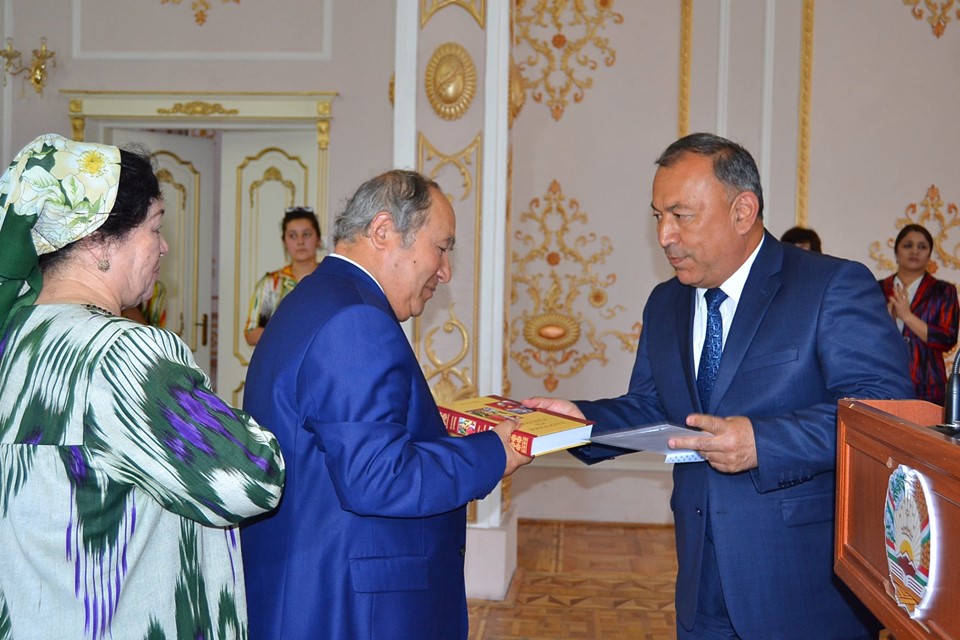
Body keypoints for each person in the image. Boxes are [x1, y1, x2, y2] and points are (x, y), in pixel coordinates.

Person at [524, 133, 913, 639]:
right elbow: (654, 406)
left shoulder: (829, 286)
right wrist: (580, 422)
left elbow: (883, 410)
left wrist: (762, 442)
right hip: (699, 580)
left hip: (802, 586)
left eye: (681, 216)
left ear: (742, 211)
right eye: (657, 216)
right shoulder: (664, 303)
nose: (664, 235)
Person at [0, 133, 286, 639]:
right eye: (155, 226)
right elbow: (252, 479)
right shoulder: (122, 353)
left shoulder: (15, 337)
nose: (164, 246)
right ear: (98, 240)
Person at [240, 169, 532, 640]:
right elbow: (376, 477)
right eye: (441, 248)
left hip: (309, 587)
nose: (445, 271)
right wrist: (493, 452)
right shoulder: (356, 319)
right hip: (353, 609)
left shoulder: (314, 298)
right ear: (383, 231)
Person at [879, 223, 959, 404]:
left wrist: (907, 316)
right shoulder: (878, 288)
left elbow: (947, 339)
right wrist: (887, 320)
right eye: (908, 245)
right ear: (896, 252)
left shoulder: (944, 291)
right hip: (884, 379)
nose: (915, 251)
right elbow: (865, 336)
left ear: (929, 255)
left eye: (922, 247)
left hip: (928, 384)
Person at [243, 206, 322, 346]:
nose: (300, 241)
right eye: (292, 236)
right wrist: (287, 334)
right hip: (281, 358)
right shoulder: (271, 284)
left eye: (306, 234)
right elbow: (251, 333)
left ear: (318, 239)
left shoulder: (331, 279)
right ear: (284, 242)